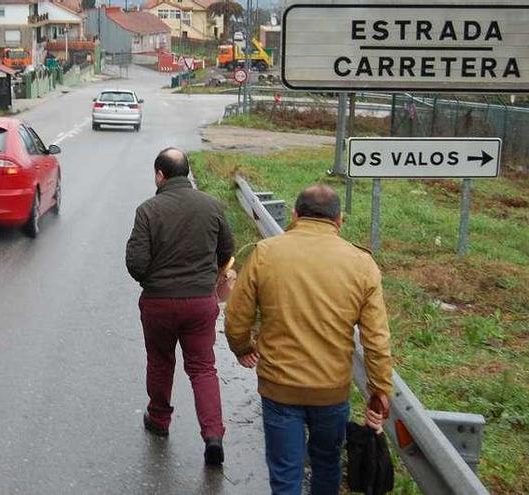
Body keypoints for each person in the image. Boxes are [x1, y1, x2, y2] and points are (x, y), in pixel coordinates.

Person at [224, 184, 393, 494]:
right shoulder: (362, 263)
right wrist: (380, 388)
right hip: (330, 390)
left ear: (295, 215)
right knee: (327, 465)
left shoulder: (266, 253)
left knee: (286, 471)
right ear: (339, 220)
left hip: (279, 388)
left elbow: (236, 316)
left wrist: (242, 347)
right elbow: (376, 338)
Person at [126, 148, 235, 466]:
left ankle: (159, 421)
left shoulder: (148, 210)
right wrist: (208, 279)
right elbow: (226, 250)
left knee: (161, 362)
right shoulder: (212, 205)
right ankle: (213, 435)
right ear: (186, 173)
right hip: (200, 303)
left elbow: (136, 262)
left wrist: (154, 280)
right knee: (203, 367)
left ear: (160, 174)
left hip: (159, 302)